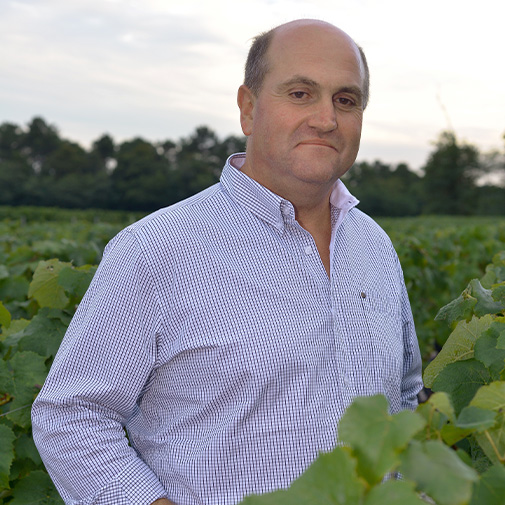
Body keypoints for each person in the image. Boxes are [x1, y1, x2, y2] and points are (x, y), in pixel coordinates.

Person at [32, 18, 423, 505]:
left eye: (346, 100)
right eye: (300, 93)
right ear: (249, 107)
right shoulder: (156, 249)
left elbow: (405, 396)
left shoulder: (375, 247)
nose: (326, 119)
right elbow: (72, 415)